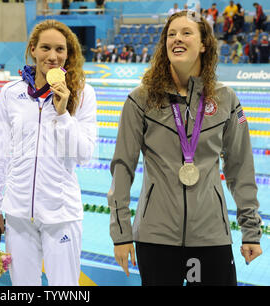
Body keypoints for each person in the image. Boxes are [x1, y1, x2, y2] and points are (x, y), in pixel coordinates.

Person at [107, 10, 262, 286]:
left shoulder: (226, 100)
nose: (177, 38)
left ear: (204, 44)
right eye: (171, 34)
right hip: (156, 238)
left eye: (186, 32)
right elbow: (122, 169)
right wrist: (121, 234)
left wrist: (251, 230)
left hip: (211, 236)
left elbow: (240, 167)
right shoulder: (140, 100)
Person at [0, 19, 97, 286]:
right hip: (18, 214)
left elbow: (84, 155)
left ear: (68, 54)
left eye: (60, 49)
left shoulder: (82, 94)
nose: (53, 56)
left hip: (61, 215)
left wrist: (63, 114)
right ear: (33, 49)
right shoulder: (10, 93)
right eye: (46, 47)